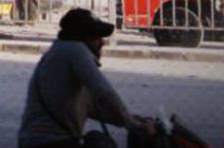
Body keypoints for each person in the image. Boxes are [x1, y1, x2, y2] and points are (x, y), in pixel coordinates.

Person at [17, 8, 154, 148]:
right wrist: (131, 124)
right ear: (83, 37)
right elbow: (103, 91)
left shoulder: (59, 52)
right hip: (50, 142)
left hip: (35, 141)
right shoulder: (75, 50)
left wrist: (133, 120)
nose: (102, 43)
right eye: (97, 37)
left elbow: (93, 108)